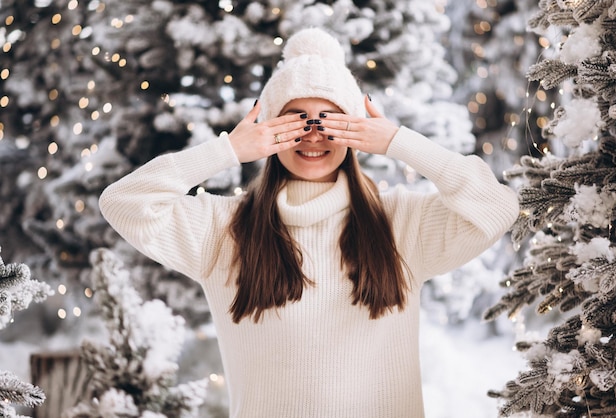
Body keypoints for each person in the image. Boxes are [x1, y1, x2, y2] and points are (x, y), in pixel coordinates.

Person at [99, 27, 519, 418]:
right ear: (272, 130)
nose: (314, 135)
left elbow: (497, 208)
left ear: (354, 129)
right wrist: (227, 149)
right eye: (296, 120)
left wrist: (398, 141)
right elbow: (123, 202)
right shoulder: (223, 229)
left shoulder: (400, 224)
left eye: (331, 120)